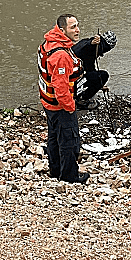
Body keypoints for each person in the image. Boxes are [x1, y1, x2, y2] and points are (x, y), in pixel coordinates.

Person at [37, 14, 90, 184]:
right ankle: (69, 176)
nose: (77, 30)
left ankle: (55, 170)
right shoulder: (61, 55)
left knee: (54, 138)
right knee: (69, 141)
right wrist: (70, 106)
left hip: (48, 103)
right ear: (62, 30)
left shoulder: (48, 44)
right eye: (73, 27)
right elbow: (60, 88)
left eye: (77, 25)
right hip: (60, 106)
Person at [71, 30, 116, 109]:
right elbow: (86, 48)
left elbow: (90, 67)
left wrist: (100, 85)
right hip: (71, 77)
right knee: (104, 75)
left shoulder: (86, 41)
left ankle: (77, 94)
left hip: (69, 74)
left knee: (97, 76)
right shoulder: (93, 47)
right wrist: (92, 43)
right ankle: (81, 100)